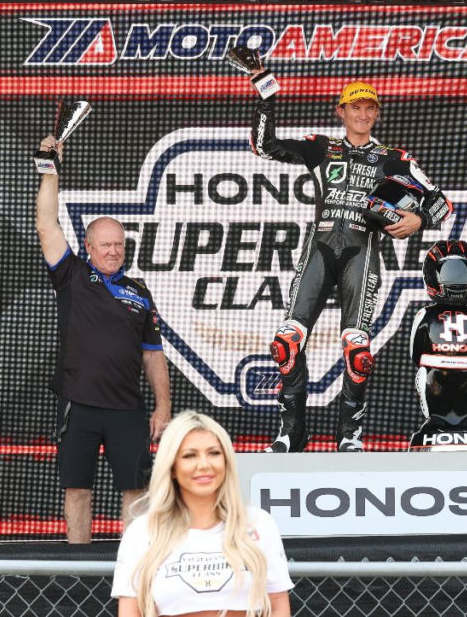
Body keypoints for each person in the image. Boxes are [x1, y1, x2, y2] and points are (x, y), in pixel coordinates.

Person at [247, 73, 452, 453]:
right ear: (341, 111)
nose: (362, 114)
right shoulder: (322, 148)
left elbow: (442, 203)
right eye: (355, 107)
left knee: (357, 354)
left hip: (362, 253)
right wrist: (265, 93)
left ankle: (350, 436)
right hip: (319, 250)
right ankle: (292, 432)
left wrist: (420, 220)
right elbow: (265, 145)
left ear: (377, 113)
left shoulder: (395, 158)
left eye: (369, 108)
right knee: (286, 344)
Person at [34, 135, 171, 543]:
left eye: (119, 244)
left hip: (127, 408)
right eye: (105, 244)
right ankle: (78, 569)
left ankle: (134, 565)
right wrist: (49, 168)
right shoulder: (72, 274)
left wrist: (163, 406)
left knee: (137, 490)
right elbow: (46, 223)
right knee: (77, 489)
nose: (113, 251)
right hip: (79, 403)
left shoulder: (139, 292)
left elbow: (153, 354)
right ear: (88, 247)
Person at [112, 411, 293, 617]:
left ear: (226, 461)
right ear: (172, 466)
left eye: (214, 453)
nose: (204, 465)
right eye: (190, 455)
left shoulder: (258, 523)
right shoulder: (143, 531)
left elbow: (278, 606)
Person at [408, 240, 467, 451]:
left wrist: (440, 355)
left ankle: (437, 424)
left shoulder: (425, 315)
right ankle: (465, 423)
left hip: (434, 375)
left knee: (425, 376)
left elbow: (415, 354)